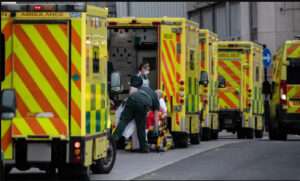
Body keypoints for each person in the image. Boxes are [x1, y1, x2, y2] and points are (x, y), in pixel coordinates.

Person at [112, 76, 160, 153]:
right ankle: (144, 148)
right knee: (141, 126)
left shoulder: (144, 88)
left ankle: (113, 140)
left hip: (132, 99)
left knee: (124, 121)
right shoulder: (155, 99)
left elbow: (131, 92)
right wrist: (156, 129)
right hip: (143, 103)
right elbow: (156, 117)